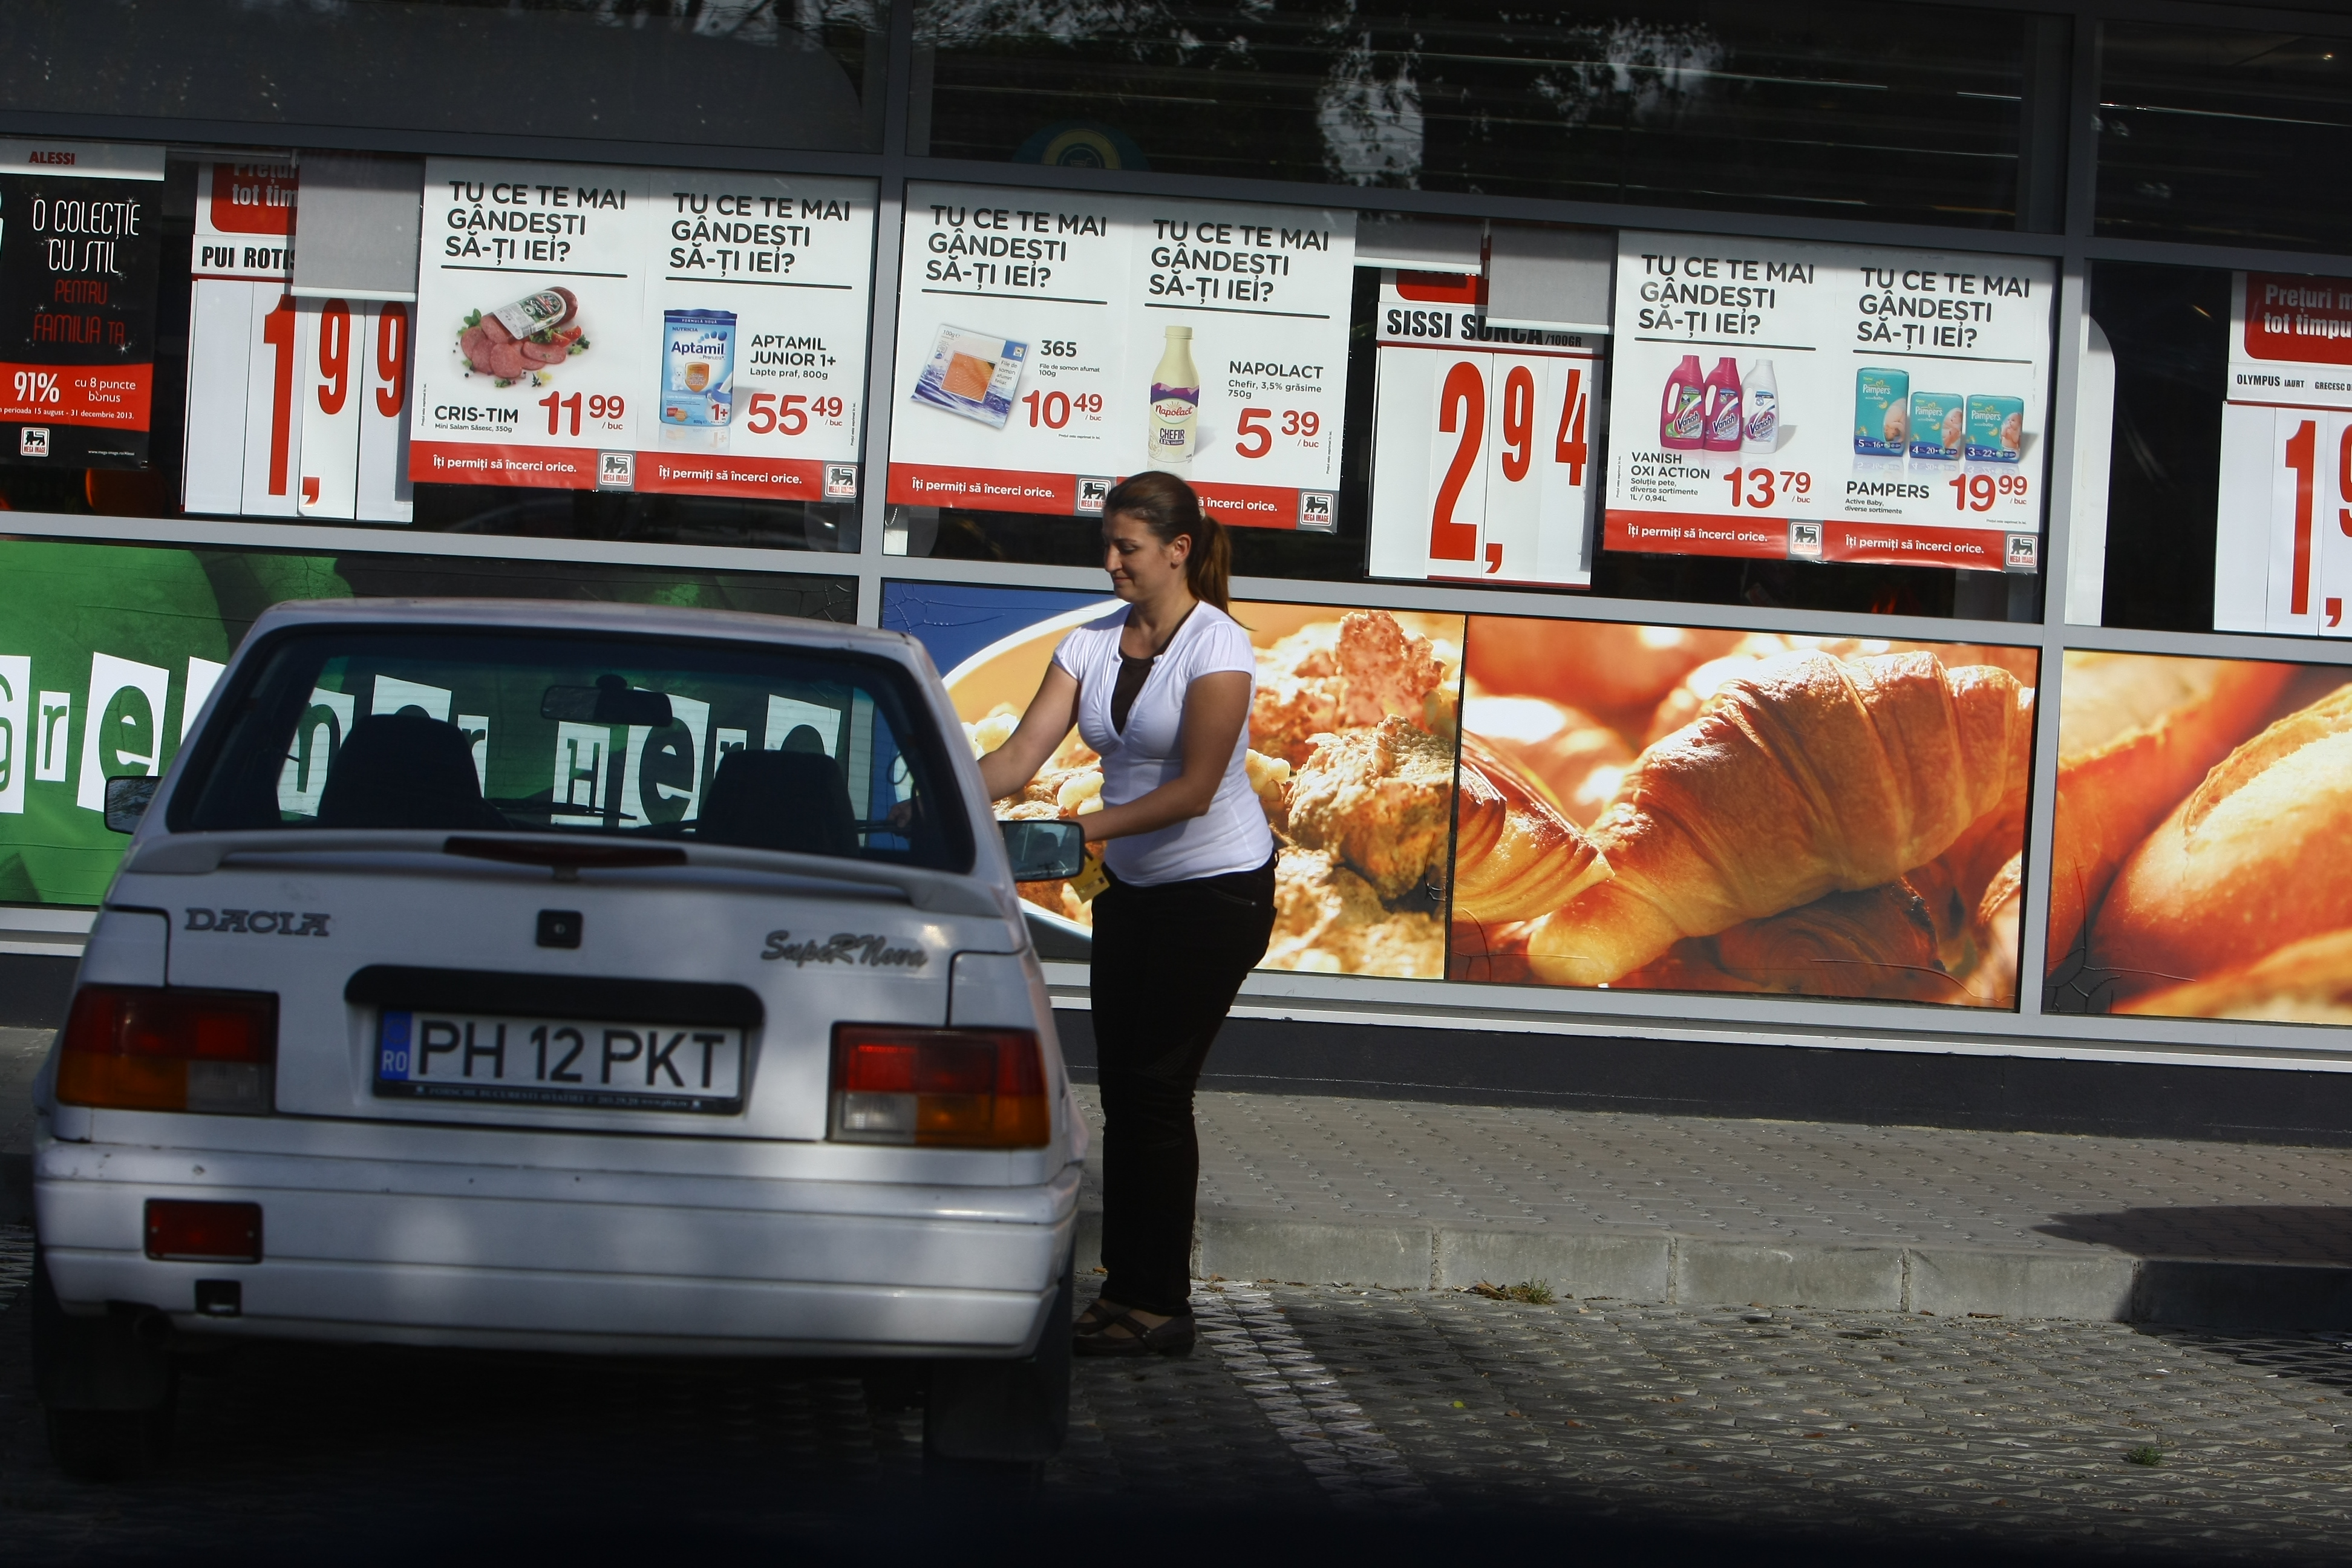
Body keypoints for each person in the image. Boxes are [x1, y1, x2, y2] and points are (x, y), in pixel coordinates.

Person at [976, 471, 1276, 1357]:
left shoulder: (1218, 647)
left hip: (1216, 894)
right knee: (1126, 1096)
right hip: (1135, 893)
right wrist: (936, 796)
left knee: (1156, 1091)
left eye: (1128, 549)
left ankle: (1159, 1305)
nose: (1110, 563)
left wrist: (1074, 833)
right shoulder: (1090, 643)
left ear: (1178, 551)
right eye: (1106, 545)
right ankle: (1125, 1292)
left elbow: (1192, 790)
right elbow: (1023, 755)